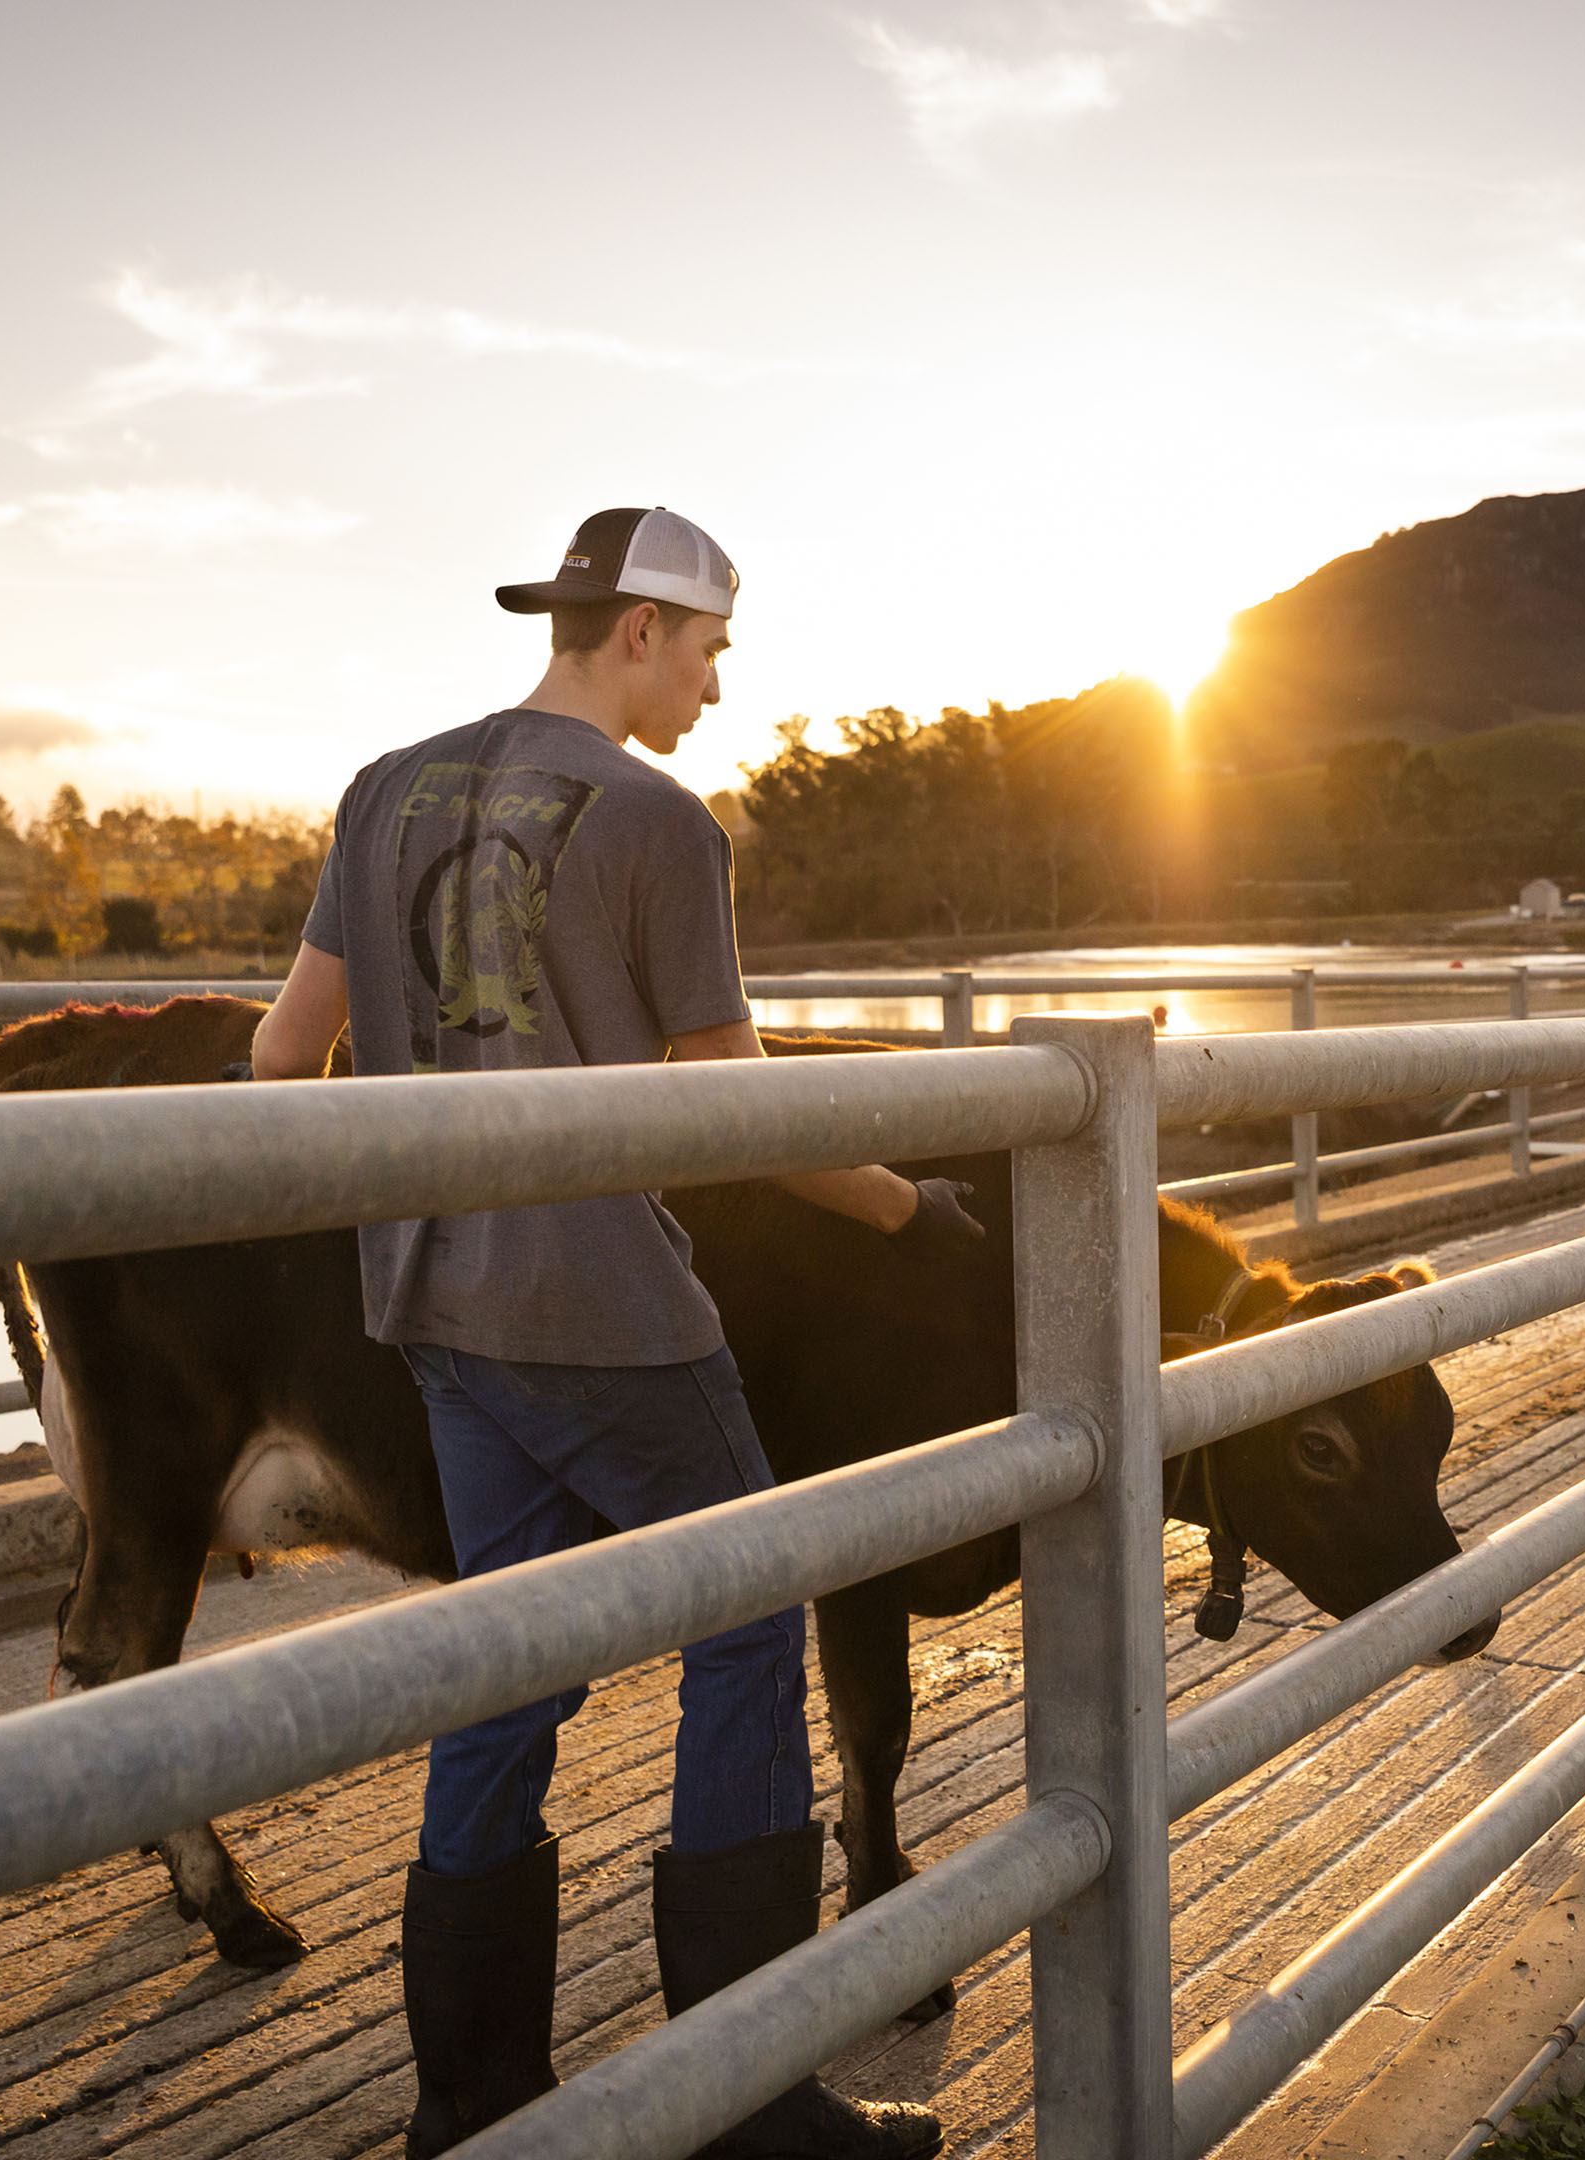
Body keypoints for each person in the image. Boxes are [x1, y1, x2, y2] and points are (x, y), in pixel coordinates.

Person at [249, 506, 972, 2160]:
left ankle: (474, 2104)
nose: (719, 688)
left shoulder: (381, 790)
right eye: (713, 651)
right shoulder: (659, 821)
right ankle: (748, 2101)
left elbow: (287, 1063)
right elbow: (736, 1115)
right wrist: (905, 1212)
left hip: (434, 1305)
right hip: (606, 1311)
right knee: (747, 1617)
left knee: (507, 1664)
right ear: (641, 629)